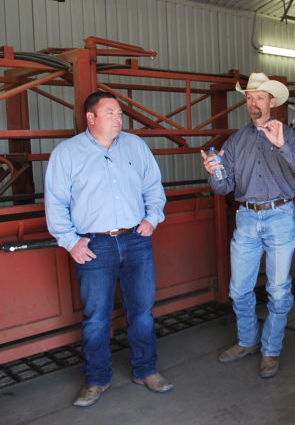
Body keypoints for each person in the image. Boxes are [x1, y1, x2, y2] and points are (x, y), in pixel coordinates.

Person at [44, 91, 173, 407]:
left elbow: (153, 188)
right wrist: (70, 241)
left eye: (119, 113)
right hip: (94, 244)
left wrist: (152, 219)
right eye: (111, 113)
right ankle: (96, 379)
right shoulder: (67, 153)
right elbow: (56, 202)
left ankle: (146, 370)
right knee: (96, 317)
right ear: (91, 117)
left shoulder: (135, 146)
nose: (119, 118)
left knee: (141, 311)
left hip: (135, 239)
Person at [201, 73, 295, 379]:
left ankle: (271, 349)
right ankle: (247, 341)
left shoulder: (288, 135)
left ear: (272, 102)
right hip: (247, 218)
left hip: (280, 216)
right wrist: (214, 172)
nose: (253, 102)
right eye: (250, 97)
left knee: (278, 291)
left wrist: (281, 145)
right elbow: (224, 188)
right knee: (239, 290)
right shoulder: (236, 142)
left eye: (260, 97)